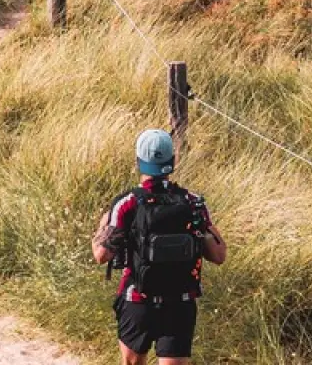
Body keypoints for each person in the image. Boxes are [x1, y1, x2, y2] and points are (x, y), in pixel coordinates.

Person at [92, 129, 227, 365]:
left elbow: (101, 255)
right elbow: (218, 255)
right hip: (180, 301)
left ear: (138, 162)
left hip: (138, 299)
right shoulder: (193, 202)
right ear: (172, 161)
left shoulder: (127, 203)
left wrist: (102, 226)